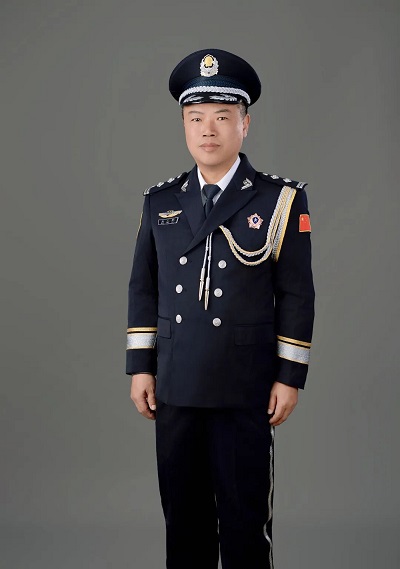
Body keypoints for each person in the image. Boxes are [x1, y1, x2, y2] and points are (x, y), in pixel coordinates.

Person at [126, 48, 315, 569]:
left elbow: (297, 294)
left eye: (222, 117)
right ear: (184, 126)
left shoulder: (279, 200)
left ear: (244, 125)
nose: (208, 130)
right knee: (183, 521)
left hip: (245, 386)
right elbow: (143, 288)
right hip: (177, 383)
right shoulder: (160, 201)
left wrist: (289, 377)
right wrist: (141, 368)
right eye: (196, 118)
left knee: (244, 522)